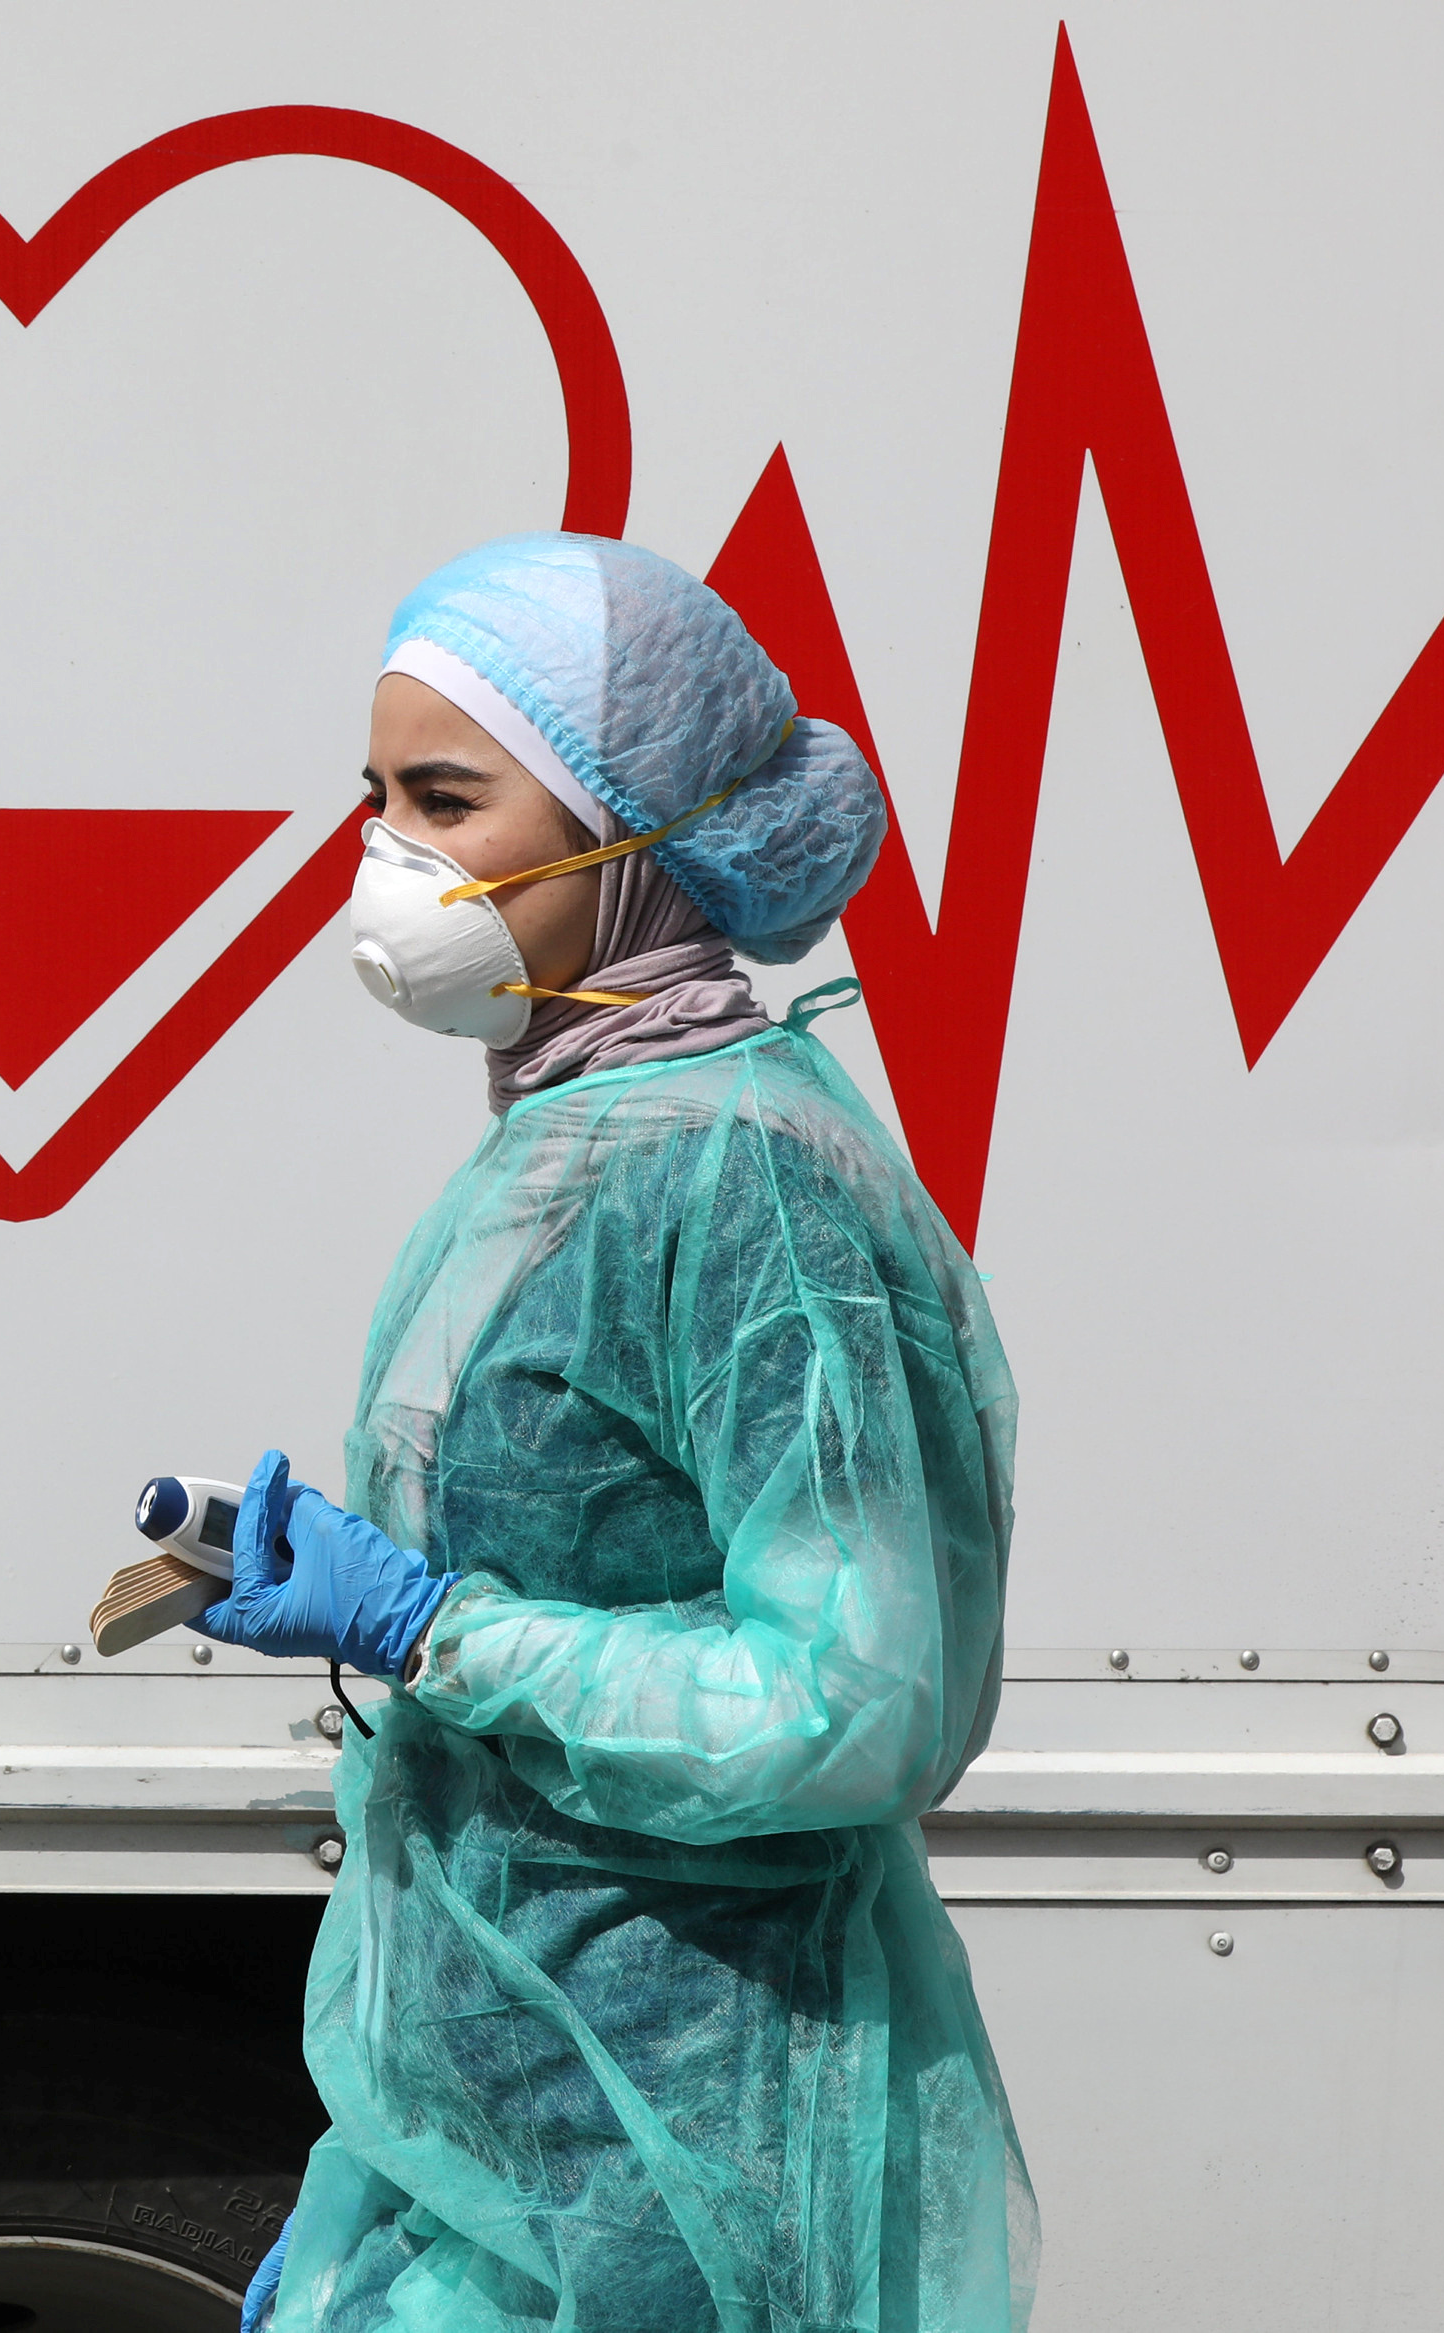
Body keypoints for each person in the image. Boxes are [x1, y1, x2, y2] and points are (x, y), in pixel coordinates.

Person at [195, 535, 1034, 2332]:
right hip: (511, 2158)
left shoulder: (748, 1184)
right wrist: (376, 2194)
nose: (389, 855)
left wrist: (438, 1629)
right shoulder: (567, 1140)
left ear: (634, 829)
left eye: (445, 800)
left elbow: (860, 1699)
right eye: (375, 798)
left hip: (688, 2165)